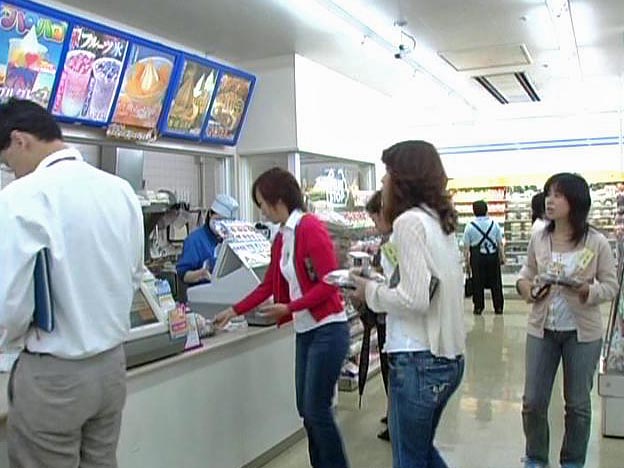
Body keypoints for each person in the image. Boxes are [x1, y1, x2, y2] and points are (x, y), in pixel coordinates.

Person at [0, 98, 144, 467]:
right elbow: (134, 272)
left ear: (20, 140)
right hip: (111, 369)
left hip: (54, 374)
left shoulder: (21, 197)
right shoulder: (120, 190)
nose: (11, 171)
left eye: (7, 162)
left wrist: (8, 346)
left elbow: (8, 303)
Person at [214, 167, 350, 468]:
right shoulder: (282, 237)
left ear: (277, 199)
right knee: (306, 408)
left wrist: (290, 307)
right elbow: (267, 285)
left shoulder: (309, 228)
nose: (260, 209)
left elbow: (330, 282)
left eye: (261, 202)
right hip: (306, 331)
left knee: (317, 410)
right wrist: (233, 310)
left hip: (328, 330)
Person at [351, 140, 466, 468]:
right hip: (446, 355)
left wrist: (369, 292)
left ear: (404, 179)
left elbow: (414, 299)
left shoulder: (408, 223)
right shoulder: (436, 220)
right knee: (421, 453)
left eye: (388, 172)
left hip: (418, 359)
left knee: (409, 458)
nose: (384, 182)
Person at [516, 173, 618, 468]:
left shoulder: (596, 242)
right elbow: (525, 273)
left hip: (582, 333)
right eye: (548, 193)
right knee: (533, 401)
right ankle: (535, 457)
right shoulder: (540, 236)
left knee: (577, 405)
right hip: (541, 328)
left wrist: (586, 289)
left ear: (576, 201)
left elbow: (610, 285)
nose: (550, 200)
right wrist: (527, 289)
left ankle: (572, 462)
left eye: (558, 195)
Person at [363, 190, 391, 441]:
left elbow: (392, 279)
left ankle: (395, 417)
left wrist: (368, 283)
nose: (375, 225)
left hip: (390, 316)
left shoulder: (394, 241)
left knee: (390, 369)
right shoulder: (388, 240)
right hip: (387, 315)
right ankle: (393, 411)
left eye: (375, 219)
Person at [176, 193, 239, 285]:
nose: (221, 225)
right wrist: (201, 274)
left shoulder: (231, 238)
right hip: (202, 294)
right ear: (210, 214)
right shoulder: (195, 240)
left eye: (226, 222)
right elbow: (183, 274)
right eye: (218, 219)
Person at [463, 200, 505, 315]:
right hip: (492, 256)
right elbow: (500, 243)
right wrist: (502, 257)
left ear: (474, 211)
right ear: (486, 210)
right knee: (496, 283)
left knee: (478, 283)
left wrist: (467, 264)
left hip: (477, 258)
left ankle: (478, 307)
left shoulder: (469, 226)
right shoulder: (494, 224)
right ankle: (498, 307)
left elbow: (466, 248)